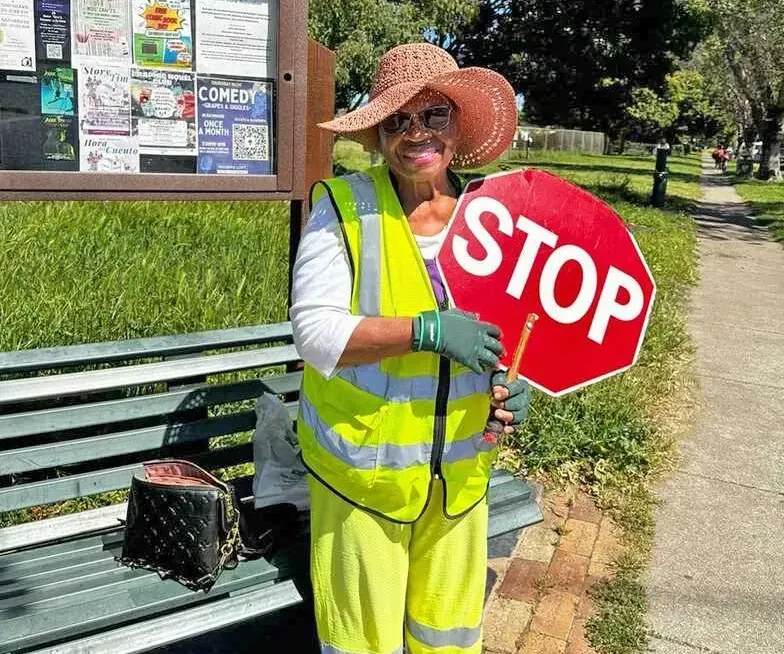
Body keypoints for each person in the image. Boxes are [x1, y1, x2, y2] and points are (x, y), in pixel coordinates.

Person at [290, 43, 531, 654]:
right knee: (362, 643)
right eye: (396, 121)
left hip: (459, 475)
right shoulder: (343, 208)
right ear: (376, 136)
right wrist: (424, 331)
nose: (415, 134)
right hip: (362, 479)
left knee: (446, 637)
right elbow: (314, 334)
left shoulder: (495, 215)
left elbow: (514, 332)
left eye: (434, 116)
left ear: (460, 124)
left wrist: (512, 384)